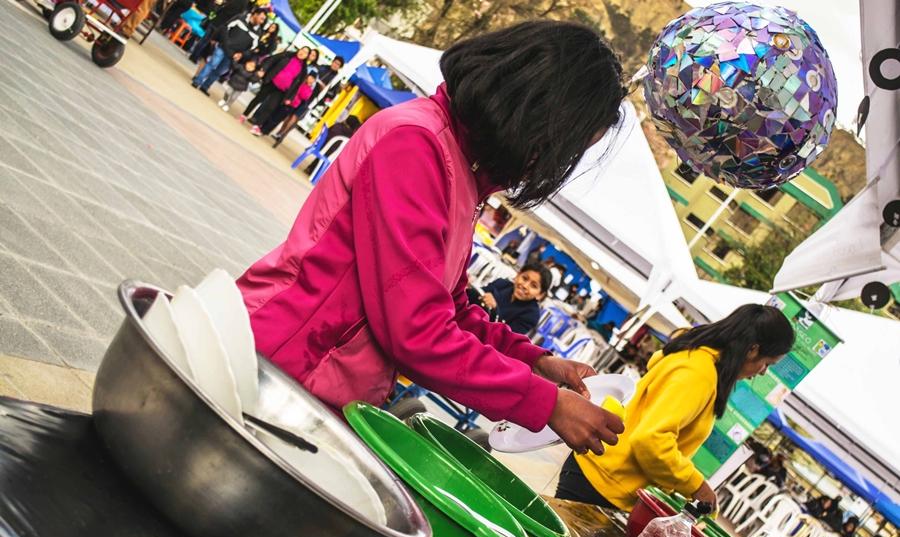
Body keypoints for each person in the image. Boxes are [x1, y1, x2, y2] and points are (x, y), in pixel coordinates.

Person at [237, 21, 629, 453]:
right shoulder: (416, 146)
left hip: (322, 388)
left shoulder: (465, 174)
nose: (551, 162)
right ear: (533, 110)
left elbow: (452, 307)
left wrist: (537, 362)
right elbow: (416, 329)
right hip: (280, 370)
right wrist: (546, 404)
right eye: (562, 146)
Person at [555, 304, 795, 511]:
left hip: (603, 477)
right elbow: (651, 439)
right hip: (602, 484)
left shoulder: (696, 358)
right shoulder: (699, 373)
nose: (763, 372)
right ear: (752, 349)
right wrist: (696, 485)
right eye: (767, 363)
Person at [191, 9, 266, 94]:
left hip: (234, 55)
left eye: (263, 20)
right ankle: (197, 81)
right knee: (212, 64)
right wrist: (225, 42)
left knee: (219, 71)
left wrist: (241, 54)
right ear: (255, 14)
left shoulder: (258, 32)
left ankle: (205, 86)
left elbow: (252, 48)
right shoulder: (240, 18)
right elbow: (225, 28)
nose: (262, 21)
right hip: (223, 47)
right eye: (261, 18)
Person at [467, 263, 551, 335]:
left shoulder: (531, 315)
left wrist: (494, 310)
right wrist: (467, 286)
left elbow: (505, 337)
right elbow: (472, 298)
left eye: (533, 286)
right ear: (518, 275)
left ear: (540, 294)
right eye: (524, 278)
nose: (525, 286)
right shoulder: (501, 283)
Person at [241, 46, 309, 131]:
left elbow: (297, 85)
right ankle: (244, 115)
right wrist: (263, 69)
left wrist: (290, 98)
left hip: (282, 90)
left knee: (270, 107)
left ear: (307, 56)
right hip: (271, 81)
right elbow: (272, 59)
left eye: (305, 52)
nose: (302, 53)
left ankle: (257, 126)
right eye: (302, 50)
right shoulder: (287, 55)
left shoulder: (303, 70)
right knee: (258, 99)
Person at [188, 0, 249, 67]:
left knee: (204, 39)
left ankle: (194, 55)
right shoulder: (244, 3)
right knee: (208, 41)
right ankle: (196, 56)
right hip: (221, 25)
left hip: (216, 20)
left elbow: (221, 8)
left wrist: (212, 18)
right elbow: (238, 15)